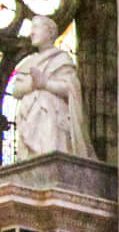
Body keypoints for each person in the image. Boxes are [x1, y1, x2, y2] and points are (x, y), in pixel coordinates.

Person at [10, 15, 94, 158]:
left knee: (45, 99)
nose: (32, 33)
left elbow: (70, 88)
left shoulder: (61, 59)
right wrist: (33, 84)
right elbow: (16, 90)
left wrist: (45, 84)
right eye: (31, 29)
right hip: (29, 116)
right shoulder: (29, 62)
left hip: (53, 118)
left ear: (50, 32)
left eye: (36, 27)